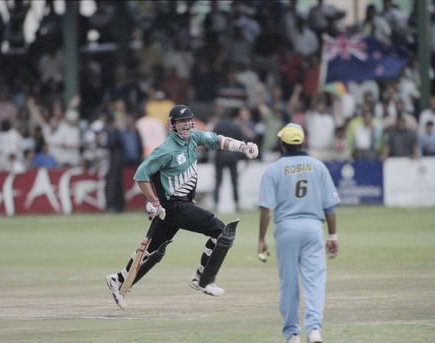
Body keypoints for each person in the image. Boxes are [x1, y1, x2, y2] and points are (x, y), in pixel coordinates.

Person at [106, 104, 259, 309]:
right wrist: (154, 201)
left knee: (153, 251)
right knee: (221, 231)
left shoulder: (194, 137)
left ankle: (118, 279)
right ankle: (202, 279)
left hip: (177, 206)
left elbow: (216, 140)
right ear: (172, 125)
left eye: (188, 121)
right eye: (180, 122)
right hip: (174, 205)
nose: (186, 125)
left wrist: (242, 146)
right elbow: (141, 175)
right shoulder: (165, 150)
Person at [257, 123, 341, 343]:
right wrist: (332, 236)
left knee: (289, 282)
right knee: (315, 280)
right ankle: (314, 330)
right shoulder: (318, 166)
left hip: (286, 229)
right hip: (313, 228)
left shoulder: (273, 169)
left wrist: (261, 239)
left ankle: (292, 334)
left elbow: (266, 209)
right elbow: (329, 207)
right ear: (302, 142)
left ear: (282, 144)